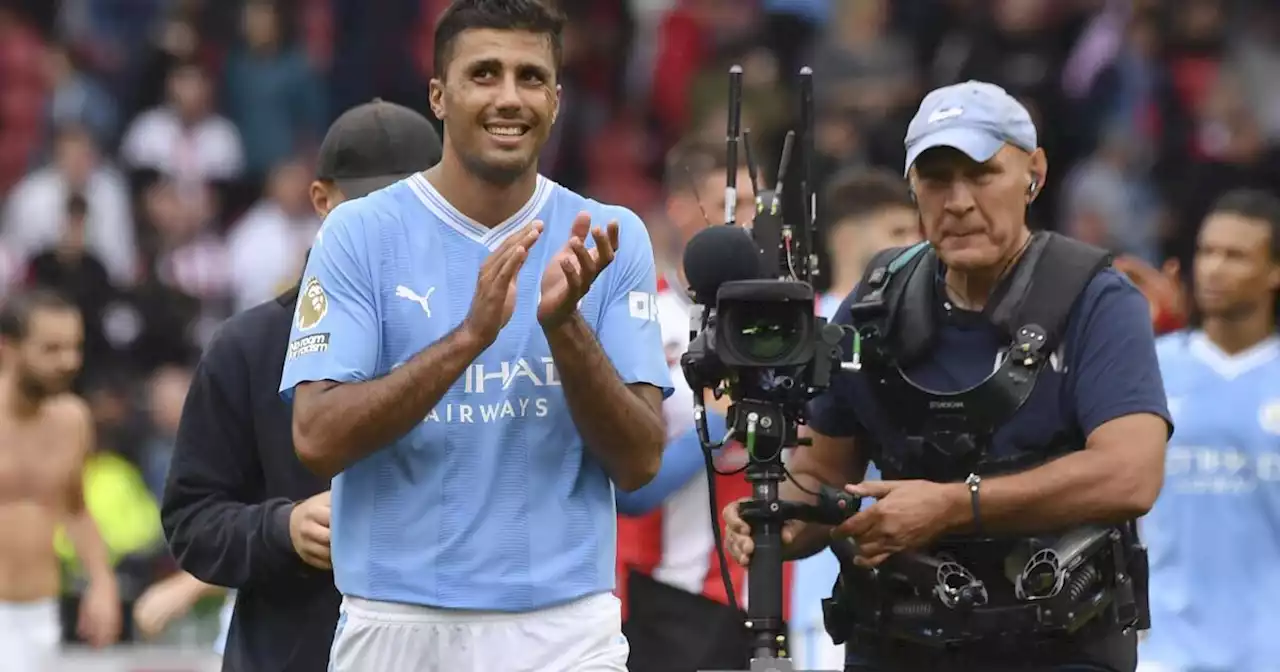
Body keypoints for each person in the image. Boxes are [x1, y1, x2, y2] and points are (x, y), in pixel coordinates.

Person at [723, 80, 1171, 672]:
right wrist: (773, 514)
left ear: (1033, 171)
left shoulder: (1097, 300)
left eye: (982, 174)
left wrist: (952, 506)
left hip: (1059, 646)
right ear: (912, 187)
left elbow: (1130, 476)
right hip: (899, 640)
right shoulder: (873, 303)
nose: (958, 201)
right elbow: (824, 474)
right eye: (936, 179)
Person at [277, 1, 670, 670]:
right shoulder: (359, 233)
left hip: (564, 624)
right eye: (484, 74)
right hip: (397, 616)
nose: (509, 97)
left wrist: (564, 327)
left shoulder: (608, 235)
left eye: (530, 77)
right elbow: (316, 439)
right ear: (438, 95)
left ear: (556, 98)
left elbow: (639, 464)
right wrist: (469, 339)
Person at [158, 98, 443, 671]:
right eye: (366, 202)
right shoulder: (247, 346)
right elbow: (191, 521)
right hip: (292, 650)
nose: (384, 222)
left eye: (408, 202)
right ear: (321, 199)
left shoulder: (479, 330)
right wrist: (281, 527)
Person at [616, 136, 762, 672]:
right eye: (735, 206)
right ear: (680, 210)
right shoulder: (641, 318)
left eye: (758, 206)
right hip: (673, 601)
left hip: (778, 593)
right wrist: (721, 418)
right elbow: (628, 485)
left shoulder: (795, 321)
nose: (749, 223)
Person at [1137, 189, 1280, 672]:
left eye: (1235, 255)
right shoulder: (1148, 368)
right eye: (1207, 252)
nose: (1214, 268)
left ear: (1275, 272)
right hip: (1163, 652)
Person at [794, 167, 921, 670]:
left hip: (909, 590)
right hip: (821, 586)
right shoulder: (795, 329)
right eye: (898, 232)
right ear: (846, 237)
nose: (916, 244)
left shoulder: (923, 327)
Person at [0, 289, 120, 671]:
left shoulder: (74, 420)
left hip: (40, 612)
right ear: (9, 349)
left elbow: (76, 508)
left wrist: (102, 584)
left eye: (74, 347)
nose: (69, 361)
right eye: (51, 349)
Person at [815, 168, 920, 319]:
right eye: (898, 232)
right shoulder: (803, 328)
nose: (915, 243)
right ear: (847, 240)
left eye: (918, 233)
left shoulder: (923, 322)